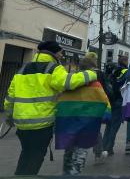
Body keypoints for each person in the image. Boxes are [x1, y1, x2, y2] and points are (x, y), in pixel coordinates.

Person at [4, 41, 97, 176]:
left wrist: (9, 115)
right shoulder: (53, 68)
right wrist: (91, 74)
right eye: (60, 52)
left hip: (22, 124)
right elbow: (68, 82)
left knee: (27, 155)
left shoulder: (23, 69)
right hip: (40, 125)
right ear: (53, 52)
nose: (61, 55)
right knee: (34, 158)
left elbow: (10, 96)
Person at [55, 55, 110, 175]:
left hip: (69, 121)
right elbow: (104, 101)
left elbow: (60, 99)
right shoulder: (95, 84)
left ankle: (66, 173)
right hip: (86, 122)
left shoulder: (70, 81)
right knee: (81, 151)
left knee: (69, 150)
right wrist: (105, 116)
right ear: (92, 67)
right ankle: (76, 173)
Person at [102, 55, 128, 156]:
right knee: (115, 126)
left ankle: (104, 146)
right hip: (119, 100)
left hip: (111, 100)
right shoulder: (126, 72)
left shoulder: (112, 71)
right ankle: (109, 148)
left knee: (109, 125)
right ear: (125, 61)